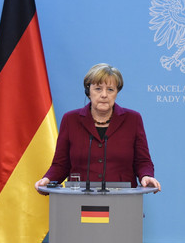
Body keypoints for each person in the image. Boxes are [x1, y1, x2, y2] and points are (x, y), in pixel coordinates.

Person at [35, 63, 161, 194]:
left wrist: (146, 176)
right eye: (98, 89)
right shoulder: (70, 120)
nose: (104, 95)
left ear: (117, 93)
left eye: (110, 90)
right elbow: (61, 164)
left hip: (123, 201)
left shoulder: (132, 119)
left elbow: (142, 161)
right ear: (88, 91)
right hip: (78, 201)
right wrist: (47, 179)